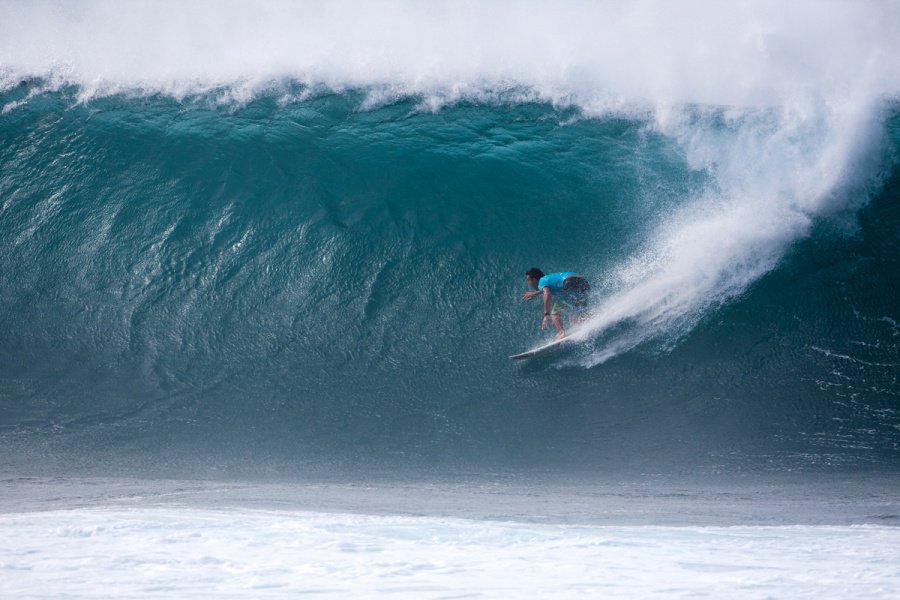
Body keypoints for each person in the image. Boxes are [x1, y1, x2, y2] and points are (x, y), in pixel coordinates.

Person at [522, 268, 590, 339]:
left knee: (555, 315)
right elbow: (547, 288)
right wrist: (535, 293)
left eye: (528, 280)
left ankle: (561, 333)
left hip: (569, 282)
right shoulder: (547, 280)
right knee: (575, 318)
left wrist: (546, 314)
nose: (528, 283)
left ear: (534, 279)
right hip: (582, 282)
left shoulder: (542, 281)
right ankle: (596, 317)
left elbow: (547, 293)